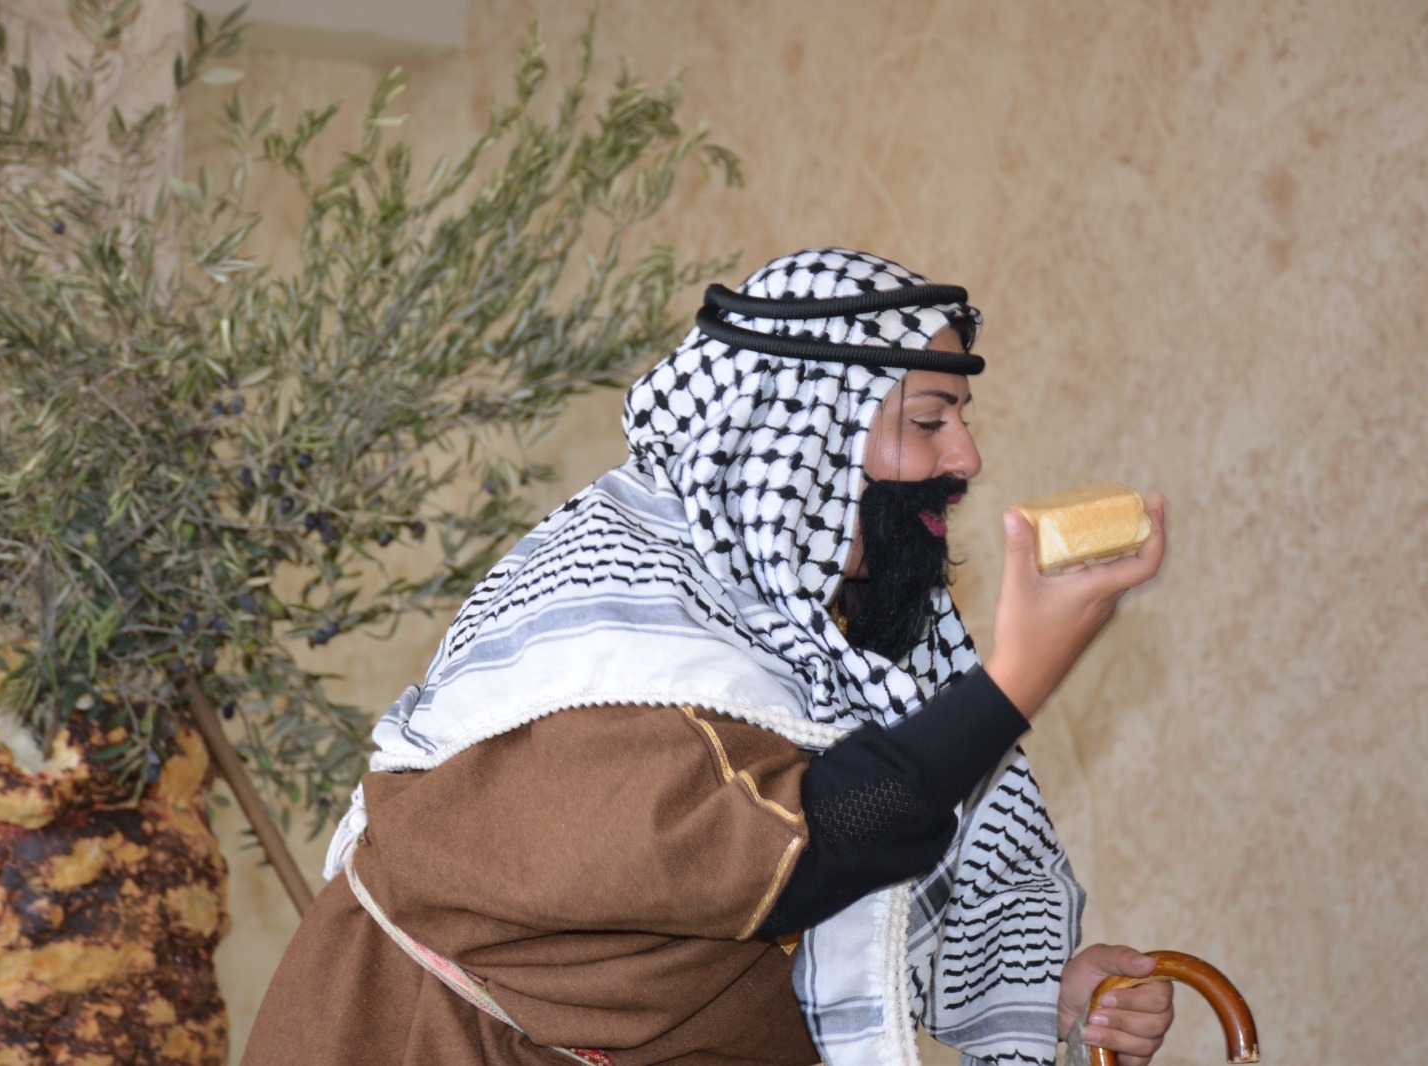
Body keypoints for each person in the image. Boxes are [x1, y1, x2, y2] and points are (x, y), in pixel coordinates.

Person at [241, 248, 1174, 1066]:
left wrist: (1047, 991)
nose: (966, 457)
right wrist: (1015, 680)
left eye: (962, 418)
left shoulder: (812, 619)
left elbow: (871, 895)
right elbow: (807, 848)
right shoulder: (619, 629)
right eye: (928, 421)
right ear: (805, 434)